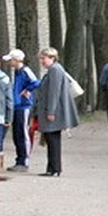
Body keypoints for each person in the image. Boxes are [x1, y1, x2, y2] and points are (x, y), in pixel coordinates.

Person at [31, 47, 78, 176]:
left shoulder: (55, 71)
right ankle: (52, 168)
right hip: (51, 110)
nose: (42, 61)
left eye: (43, 58)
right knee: (52, 139)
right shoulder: (54, 70)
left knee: (52, 140)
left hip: (52, 111)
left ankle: (54, 168)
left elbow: (54, 92)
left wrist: (51, 111)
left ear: (52, 58)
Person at [3, 49, 40, 172]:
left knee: (22, 133)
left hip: (24, 106)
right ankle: (19, 159)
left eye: (11, 60)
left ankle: (24, 160)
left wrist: (27, 90)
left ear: (16, 60)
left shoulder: (25, 71)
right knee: (17, 134)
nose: (9, 63)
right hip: (17, 105)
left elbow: (36, 82)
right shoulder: (17, 72)